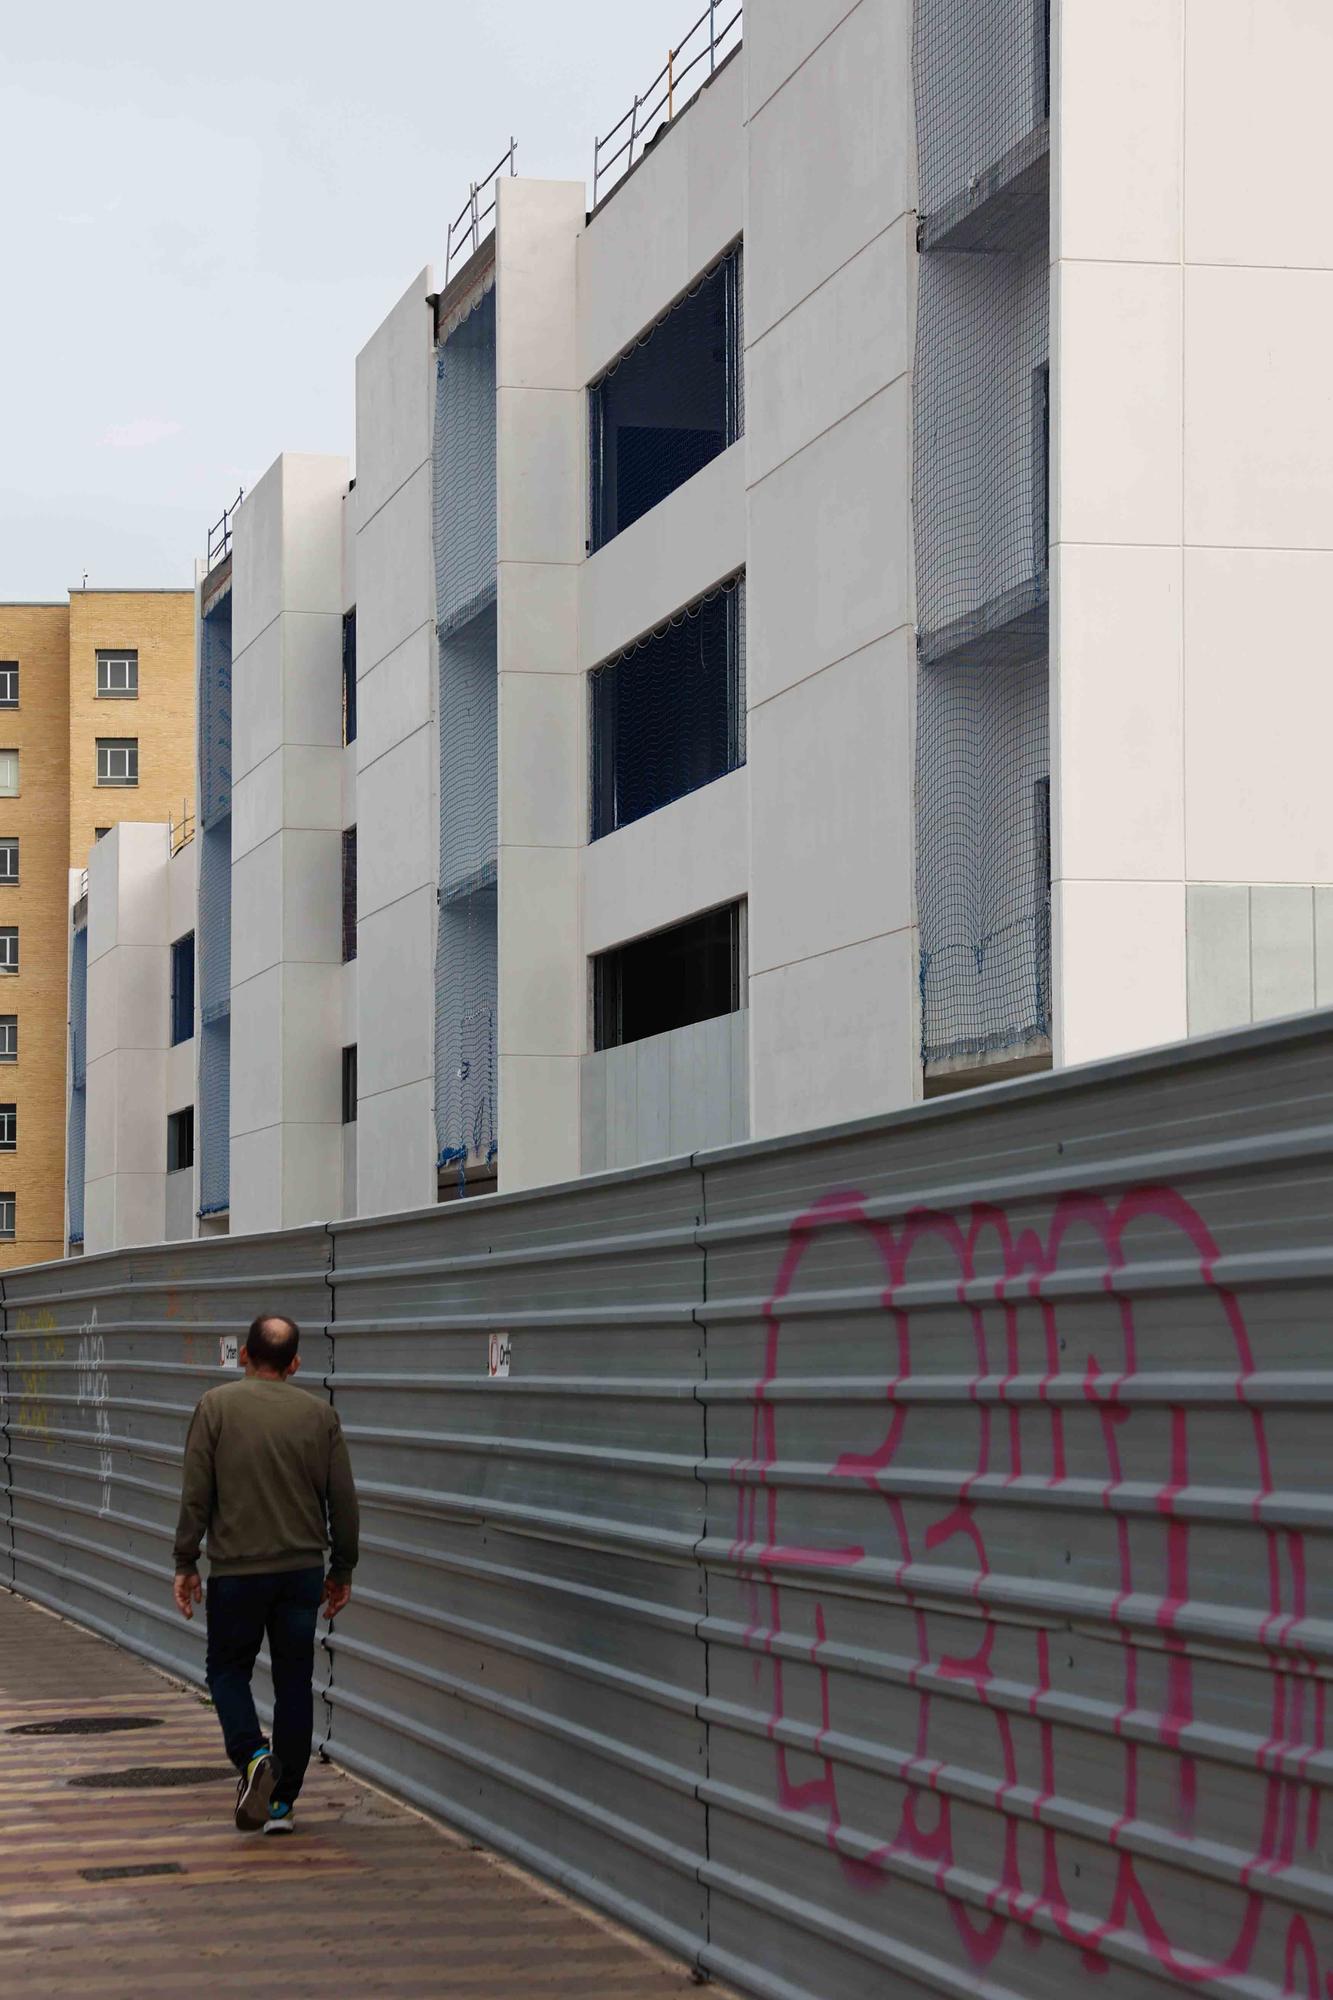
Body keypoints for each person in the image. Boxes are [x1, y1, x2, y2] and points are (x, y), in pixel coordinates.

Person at [172, 1312, 359, 1836]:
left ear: (245, 1357)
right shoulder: (320, 1416)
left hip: (237, 1573)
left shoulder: (216, 1407)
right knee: (294, 1683)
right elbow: (343, 1501)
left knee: (227, 1670)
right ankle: (280, 1804)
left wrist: (186, 1561)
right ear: (296, 1363)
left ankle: (254, 1757)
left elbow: (195, 1494)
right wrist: (342, 1568)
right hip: (300, 1573)